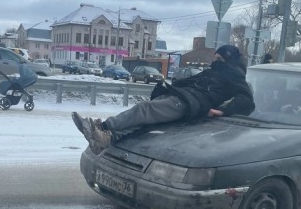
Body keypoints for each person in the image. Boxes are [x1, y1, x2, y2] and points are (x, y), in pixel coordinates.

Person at [72, 44, 255, 154]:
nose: (215, 59)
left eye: (219, 57)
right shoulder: (214, 71)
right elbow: (187, 82)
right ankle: (106, 139)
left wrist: (223, 110)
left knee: (144, 109)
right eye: (215, 56)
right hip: (180, 97)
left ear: (228, 59)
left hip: (187, 104)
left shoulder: (234, 75)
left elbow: (247, 100)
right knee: (145, 123)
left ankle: (101, 127)